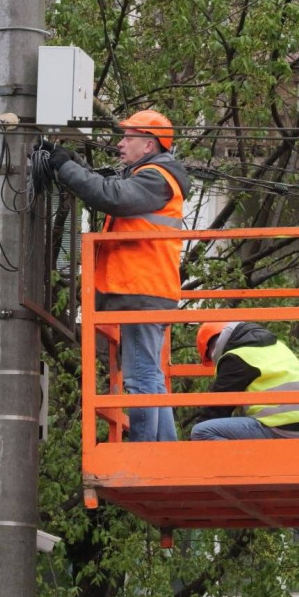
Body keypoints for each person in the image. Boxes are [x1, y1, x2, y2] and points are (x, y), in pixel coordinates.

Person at [44, 109, 189, 442]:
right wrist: (75, 165)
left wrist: (64, 166)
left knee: (140, 379)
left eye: (128, 138)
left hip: (142, 289)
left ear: (149, 145)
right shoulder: (151, 176)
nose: (120, 144)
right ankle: (164, 449)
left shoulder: (155, 177)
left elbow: (110, 196)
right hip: (147, 289)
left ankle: (145, 452)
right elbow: (108, 186)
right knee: (150, 376)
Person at [191, 321, 299, 440]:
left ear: (213, 346)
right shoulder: (278, 346)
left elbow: (217, 409)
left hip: (277, 428)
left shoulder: (236, 357)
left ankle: (244, 460)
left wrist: (188, 448)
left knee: (201, 431)